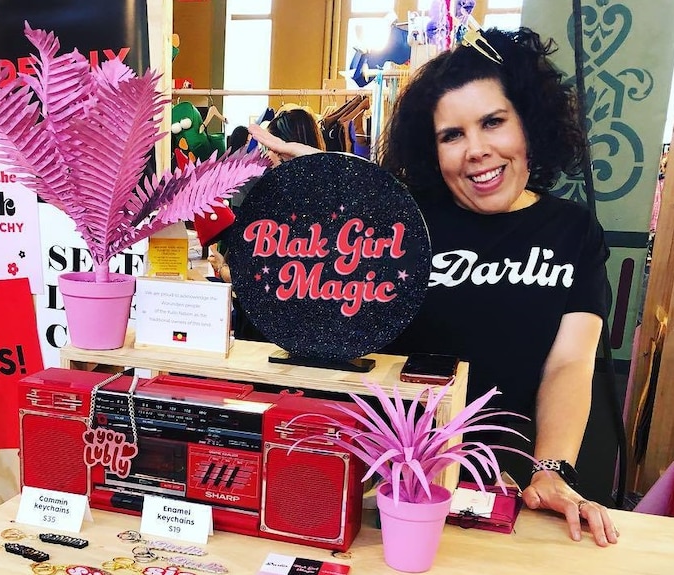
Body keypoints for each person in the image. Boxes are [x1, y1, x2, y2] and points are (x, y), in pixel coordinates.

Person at [248, 27, 618, 547]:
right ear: (432, 147)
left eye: (493, 122)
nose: (477, 150)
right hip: (379, 485)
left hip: (502, 484)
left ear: (529, 124)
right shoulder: (402, 222)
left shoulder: (573, 231)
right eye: (452, 135)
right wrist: (327, 179)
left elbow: (569, 364)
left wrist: (552, 470)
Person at [210, 108, 326, 340]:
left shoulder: (277, 200)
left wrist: (224, 270)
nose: (269, 158)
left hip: (265, 329)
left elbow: (259, 277)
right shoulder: (326, 200)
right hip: (298, 329)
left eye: (277, 153)